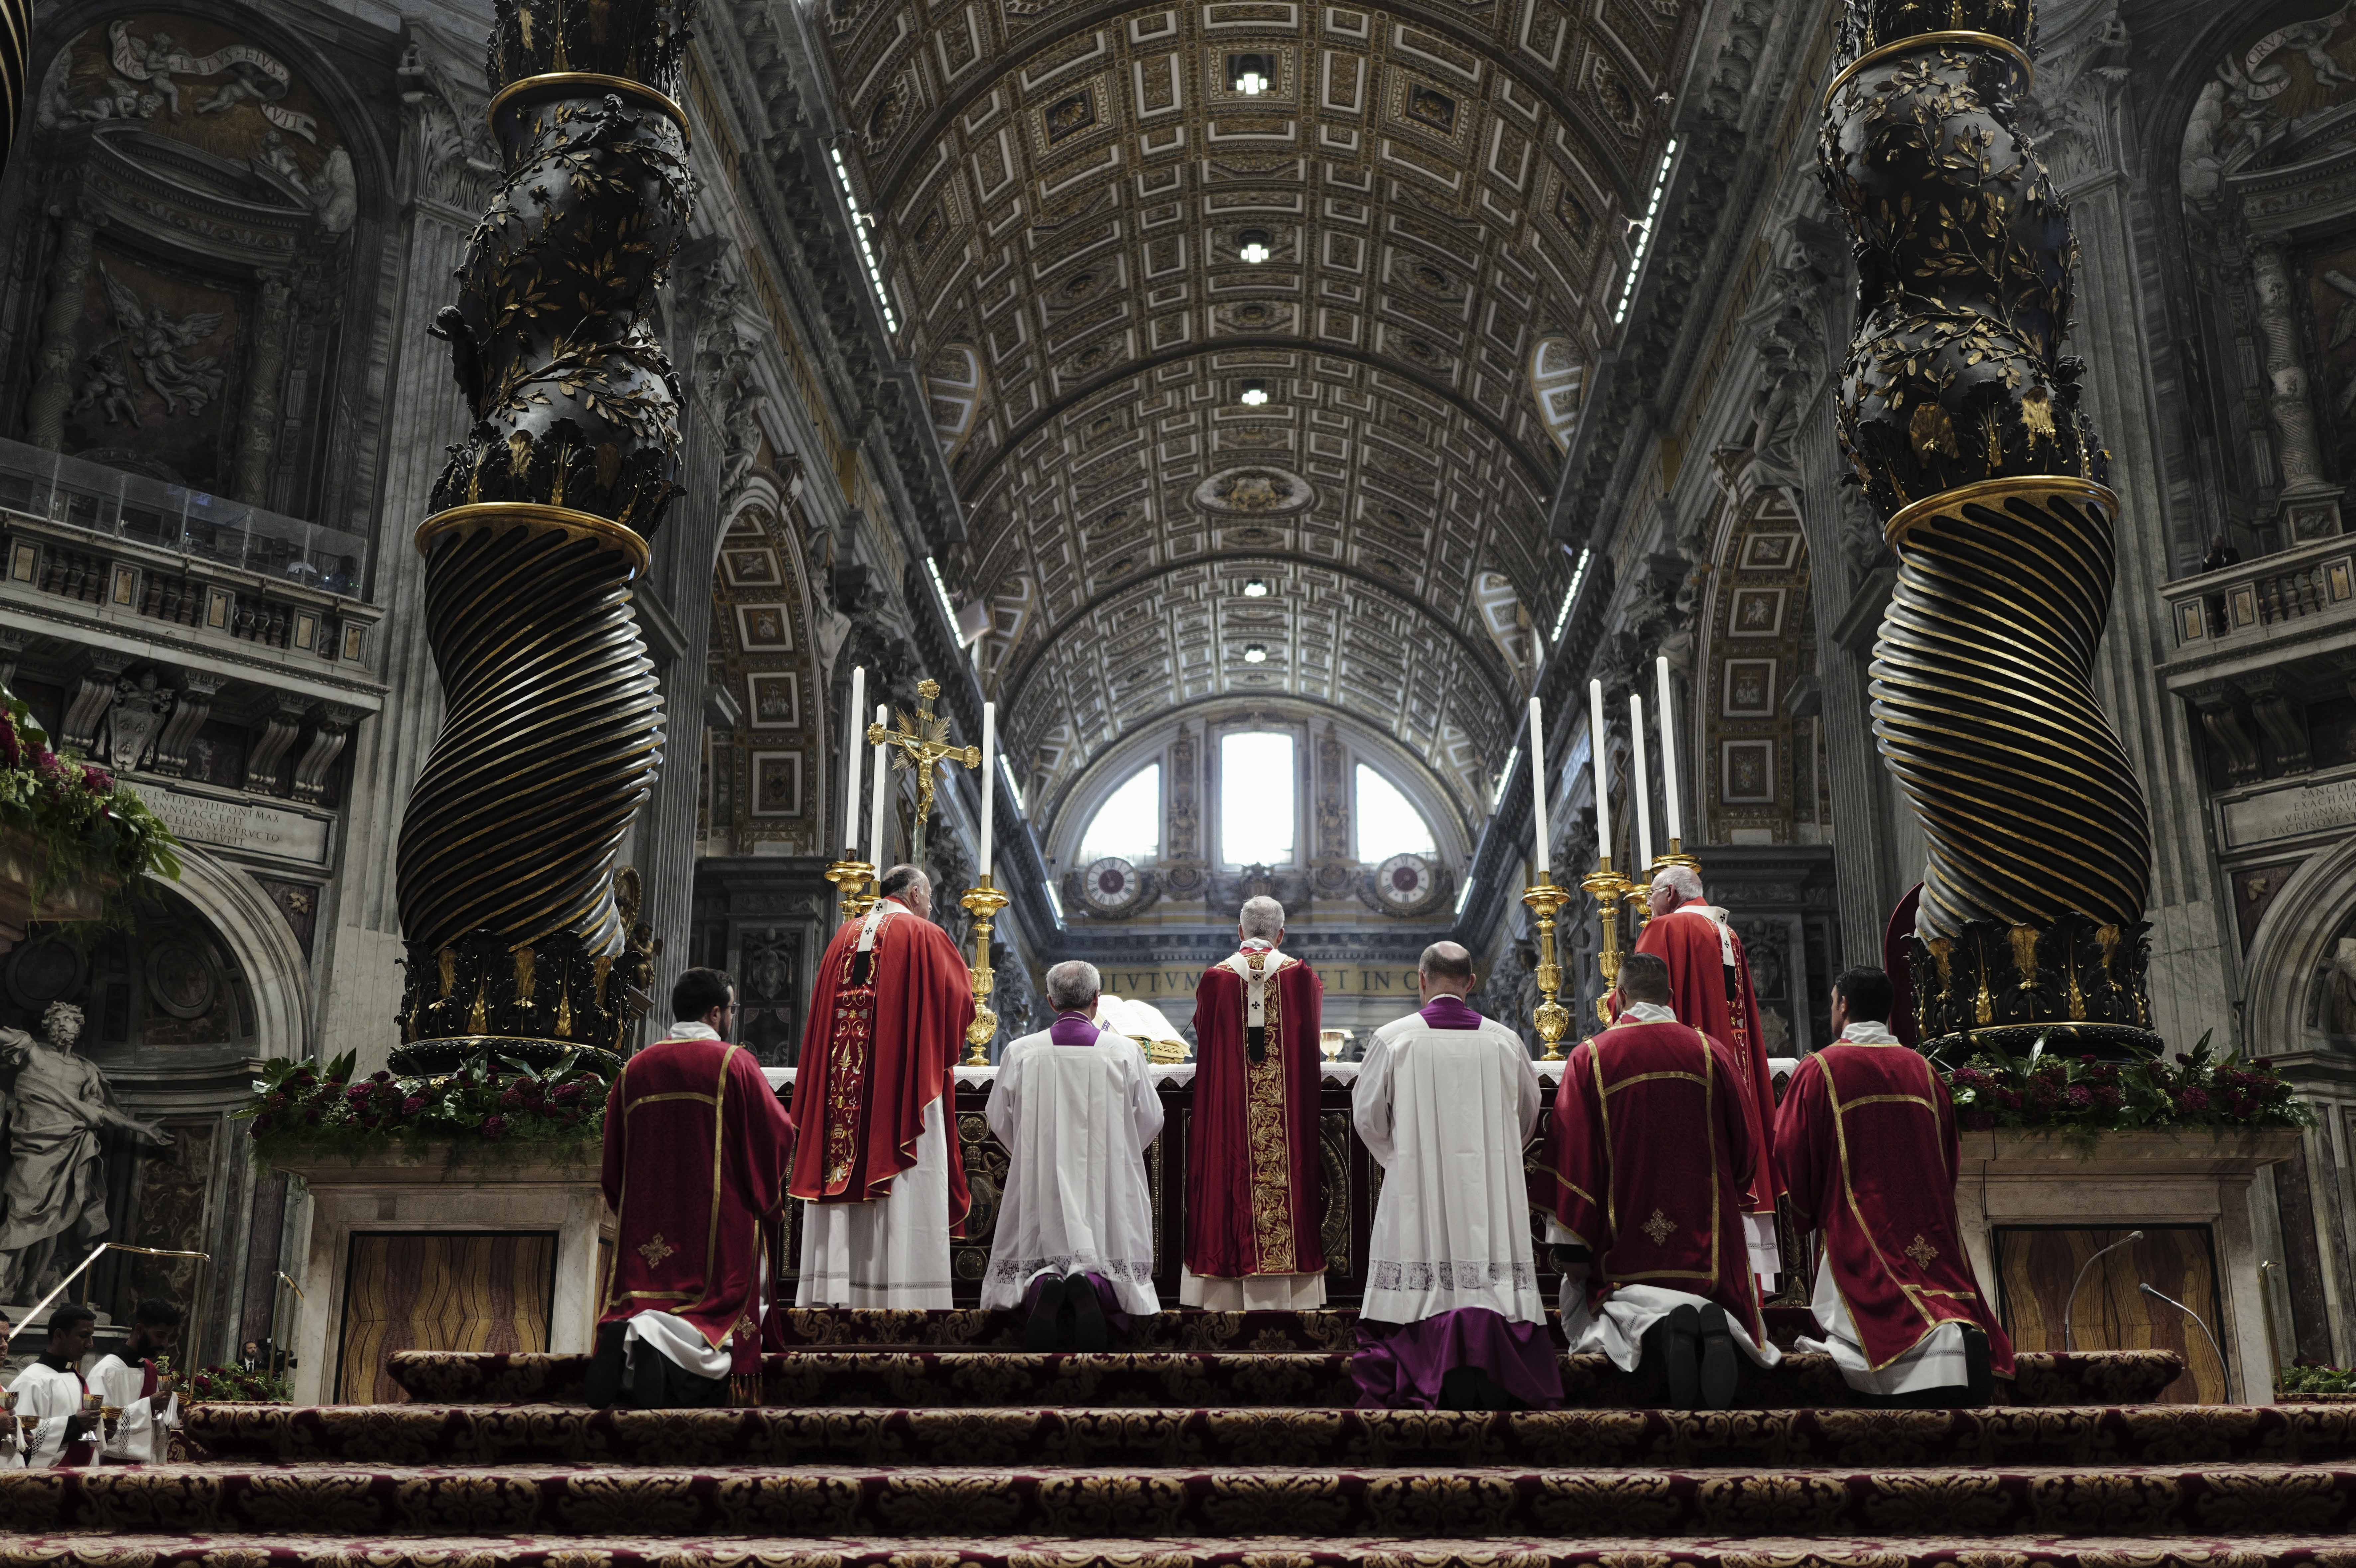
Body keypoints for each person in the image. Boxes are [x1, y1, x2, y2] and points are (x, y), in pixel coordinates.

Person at [1548, 952, 1778, 1410]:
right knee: (1712, 1288)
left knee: (1611, 1310)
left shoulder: (1590, 1057)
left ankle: (1659, 1329)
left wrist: (1570, 1242)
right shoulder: (1712, 1053)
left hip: (1626, 1257)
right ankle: (1707, 1322)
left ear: (1619, 997)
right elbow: (1745, 1148)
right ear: (1670, 998)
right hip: (1707, 1257)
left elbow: (1572, 1157)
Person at [1774, 966, 2011, 1405]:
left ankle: (1924, 1363)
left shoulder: (1821, 1069)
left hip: (1860, 1222)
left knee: (1874, 1311)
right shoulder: (1921, 1070)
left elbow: (1790, 1147)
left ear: (1842, 1005)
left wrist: (1806, 1212)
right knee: (1937, 1290)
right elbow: (1947, 1154)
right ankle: (1957, 1339)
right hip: (1926, 1224)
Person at [1351, 942, 1560, 1411]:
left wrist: (1402, 1158)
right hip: (1490, 1185)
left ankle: (1422, 1364)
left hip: (1415, 1188)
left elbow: (1366, 1117)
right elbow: (1527, 1115)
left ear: (1421, 979)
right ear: (1470, 983)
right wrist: (1498, 1156)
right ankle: (1496, 1365)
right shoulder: (1506, 1040)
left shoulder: (1392, 1038)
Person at [589, 968, 797, 1410]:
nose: (732, 1018)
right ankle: (657, 1341)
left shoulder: (633, 1071)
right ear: (716, 1012)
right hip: (717, 1228)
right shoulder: (732, 1063)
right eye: (732, 1009)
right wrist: (766, 1197)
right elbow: (775, 1133)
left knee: (648, 1296)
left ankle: (634, 1337)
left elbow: (613, 1164)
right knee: (714, 1310)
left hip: (646, 1233)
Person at [791, 865, 974, 1308]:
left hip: (842, 1093)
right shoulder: (924, 935)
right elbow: (962, 1004)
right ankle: (903, 1294)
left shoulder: (841, 938)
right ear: (914, 893)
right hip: (901, 1087)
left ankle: (835, 1287)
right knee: (909, 1178)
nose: (930, 906)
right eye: (928, 896)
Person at [982, 960, 1165, 1350]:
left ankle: (1045, 1285)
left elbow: (997, 1117)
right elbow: (1152, 1118)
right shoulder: (1124, 1052)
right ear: (1097, 1000)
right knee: (1104, 1252)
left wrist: (1032, 1153)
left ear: (1050, 1001)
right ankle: (1094, 1285)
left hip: (1040, 1176)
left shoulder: (1021, 1052)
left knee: (1038, 1250)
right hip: (1107, 1181)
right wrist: (1120, 1155)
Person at [1627, 865, 1782, 1283]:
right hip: (1734, 1069)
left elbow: (1641, 999)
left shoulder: (1666, 930)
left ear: (1672, 893)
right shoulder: (1726, 931)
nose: (1649, 904)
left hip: (1686, 1075)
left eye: (1653, 895)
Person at [1184, 895, 1327, 1309]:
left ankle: (1223, 1292)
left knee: (1228, 1168)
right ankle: (1293, 1293)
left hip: (1228, 1111)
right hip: (1287, 1121)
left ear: (1240, 932)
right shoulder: (1302, 977)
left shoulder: (1216, 978)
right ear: (1281, 935)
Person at [0, 1003, 171, 1301]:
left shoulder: (86, 1070)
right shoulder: (32, 1051)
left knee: (56, 1221)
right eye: (62, 1020)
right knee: (21, 1211)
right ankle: (3, 1281)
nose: (68, 1026)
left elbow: (100, 1111)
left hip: (70, 1147)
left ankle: (30, 1287)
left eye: (73, 1021)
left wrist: (141, 1128)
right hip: (34, 1146)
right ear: (50, 1025)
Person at [87, 1298, 179, 1463]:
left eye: (168, 1337)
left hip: (146, 1467)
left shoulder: (150, 1370)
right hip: (109, 1468)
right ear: (139, 1329)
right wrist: (148, 1405)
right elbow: (97, 1429)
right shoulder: (106, 1371)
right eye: (160, 1335)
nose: (165, 1344)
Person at [13, 1305, 100, 1468]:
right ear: (59, 1335)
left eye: (91, 1336)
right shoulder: (31, 1380)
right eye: (83, 1336)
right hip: (47, 1480)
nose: (90, 1344)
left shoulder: (75, 1376)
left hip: (82, 1474)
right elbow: (21, 1439)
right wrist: (74, 1424)